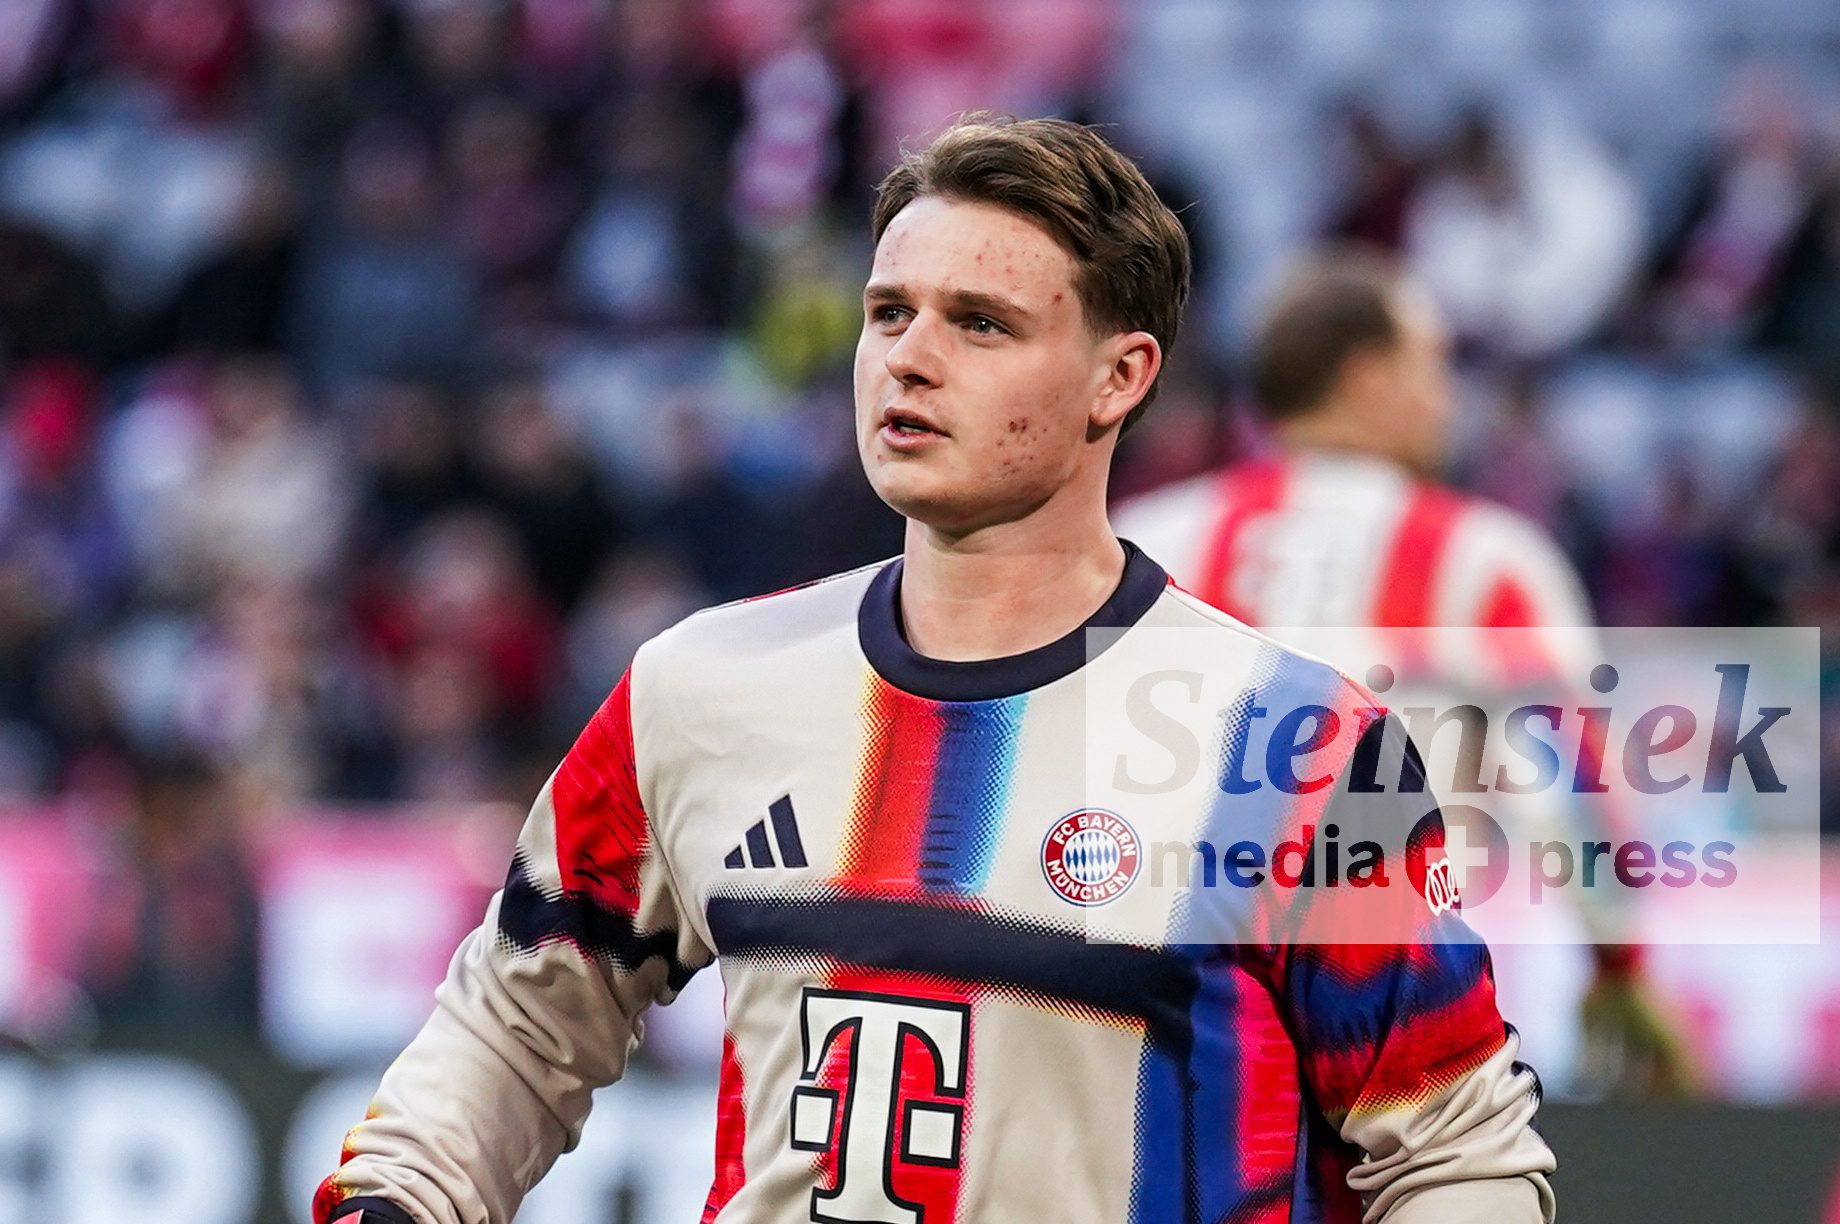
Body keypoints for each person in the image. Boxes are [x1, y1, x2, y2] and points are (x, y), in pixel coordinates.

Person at [315, 117, 1554, 1224]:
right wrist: (398, 1197)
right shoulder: (700, 687)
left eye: (980, 323)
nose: (906, 358)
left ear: (1119, 378)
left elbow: (1456, 1156)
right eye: (887, 312)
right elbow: (518, 1018)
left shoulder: (1302, 751)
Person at [1113, 249, 1694, 1100]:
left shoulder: (1145, 540)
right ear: (1368, 376)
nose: (1448, 397)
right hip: (1387, 1025)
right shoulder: (1487, 561)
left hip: (1157, 1012)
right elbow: (1569, 778)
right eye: (1433, 363)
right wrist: (1621, 966)